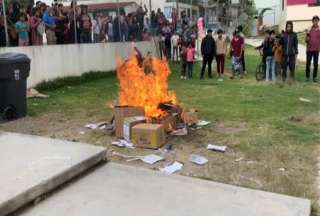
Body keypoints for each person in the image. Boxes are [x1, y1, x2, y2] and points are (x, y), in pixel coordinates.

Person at [305, 15, 320, 82]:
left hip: (316, 50)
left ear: (318, 21)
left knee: (315, 64)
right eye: (314, 21)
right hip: (309, 50)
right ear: (312, 21)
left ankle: (314, 77)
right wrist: (307, 35)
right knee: (308, 64)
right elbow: (306, 40)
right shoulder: (309, 29)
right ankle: (307, 77)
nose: (315, 22)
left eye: (317, 21)